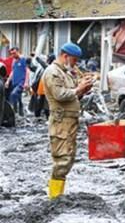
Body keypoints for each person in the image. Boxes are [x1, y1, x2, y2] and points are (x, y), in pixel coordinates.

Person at [43, 42, 93, 199]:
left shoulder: (64, 72)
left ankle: (57, 195)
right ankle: (54, 197)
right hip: (60, 122)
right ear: (65, 56)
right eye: (74, 60)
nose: (76, 64)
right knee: (62, 160)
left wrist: (83, 90)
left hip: (69, 121)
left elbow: (72, 96)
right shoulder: (53, 72)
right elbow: (60, 95)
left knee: (68, 157)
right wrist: (78, 89)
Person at [5, 47, 29, 117]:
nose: (13, 55)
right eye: (12, 54)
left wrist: (26, 82)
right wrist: (8, 81)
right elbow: (12, 72)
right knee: (19, 99)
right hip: (14, 82)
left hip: (21, 82)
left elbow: (27, 71)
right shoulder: (14, 61)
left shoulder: (23, 59)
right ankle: (20, 114)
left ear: (18, 51)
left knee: (13, 95)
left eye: (14, 53)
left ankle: (12, 112)